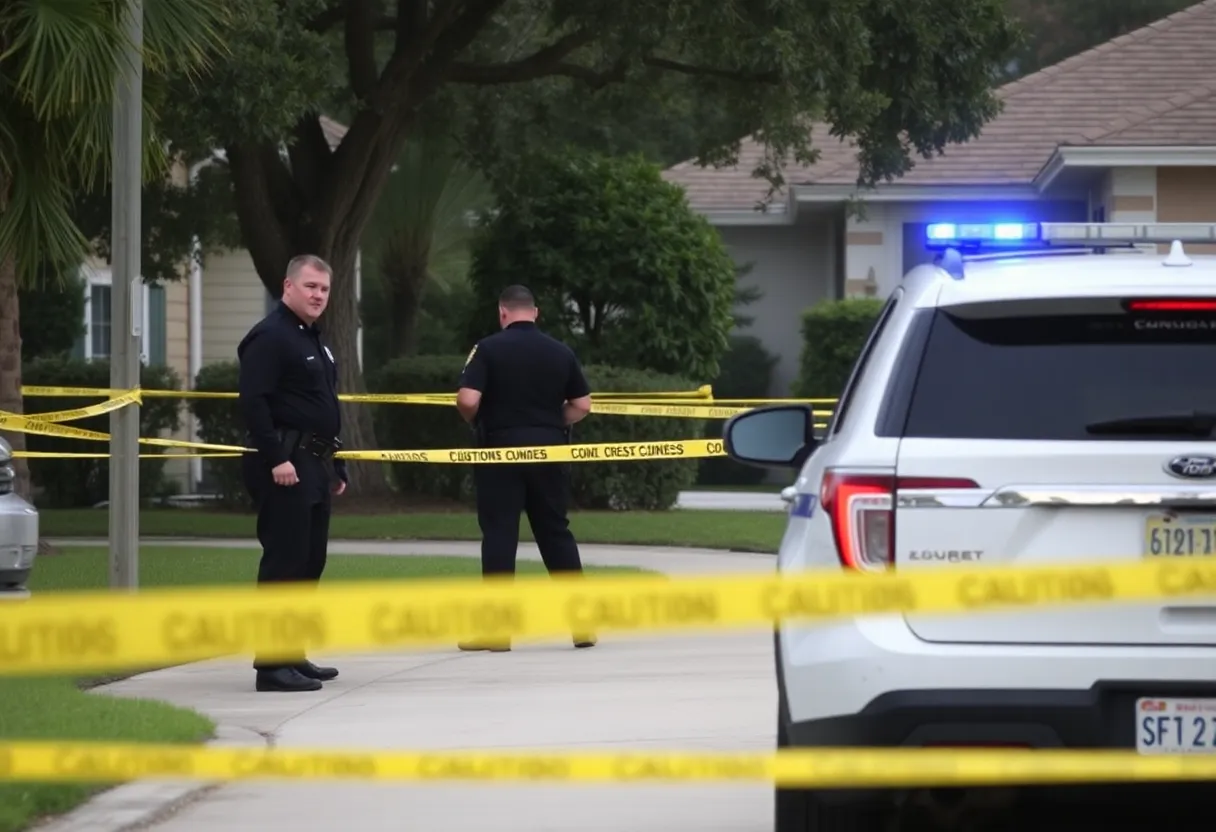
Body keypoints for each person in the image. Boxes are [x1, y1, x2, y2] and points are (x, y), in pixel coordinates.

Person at [454, 284, 596, 652]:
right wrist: (550, 424)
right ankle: (582, 624)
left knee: (500, 534)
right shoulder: (560, 351)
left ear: (503, 312)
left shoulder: (487, 349)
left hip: (500, 451)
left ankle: (498, 631)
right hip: (550, 451)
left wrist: (478, 421)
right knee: (555, 532)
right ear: (535, 312)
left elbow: (468, 398)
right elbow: (582, 405)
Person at [237, 254, 348, 693]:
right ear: (288, 287)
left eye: (324, 288)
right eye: (310, 287)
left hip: (313, 463)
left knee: (309, 560)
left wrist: (335, 465)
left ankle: (292, 654)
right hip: (284, 461)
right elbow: (254, 402)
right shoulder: (270, 337)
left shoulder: (312, 339)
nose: (319, 295)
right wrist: (275, 459)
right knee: (284, 560)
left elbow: (323, 407)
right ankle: (271, 666)